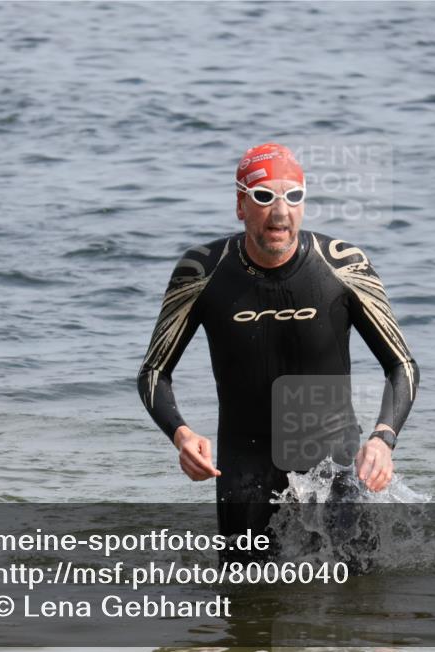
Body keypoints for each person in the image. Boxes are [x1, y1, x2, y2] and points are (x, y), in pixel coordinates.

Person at [137, 142, 420, 545]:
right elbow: (154, 371)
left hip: (333, 465)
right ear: (240, 205)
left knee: (359, 600)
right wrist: (181, 434)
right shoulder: (201, 271)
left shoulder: (343, 265)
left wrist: (383, 438)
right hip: (244, 467)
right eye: (264, 197)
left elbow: (402, 365)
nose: (281, 212)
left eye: (293, 197)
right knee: (246, 600)